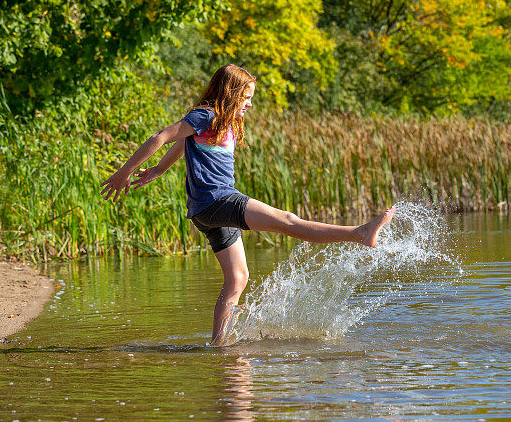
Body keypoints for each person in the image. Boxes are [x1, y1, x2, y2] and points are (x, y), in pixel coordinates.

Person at [100, 63, 396, 344]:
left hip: (206, 212)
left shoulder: (217, 121)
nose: (250, 104)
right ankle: (359, 233)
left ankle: (219, 348)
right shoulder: (206, 114)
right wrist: (123, 173)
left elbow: (182, 143)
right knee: (288, 221)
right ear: (230, 93)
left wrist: (160, 170)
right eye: (246, 97)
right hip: (216, 200)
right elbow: (162, 136)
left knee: (238, 278)